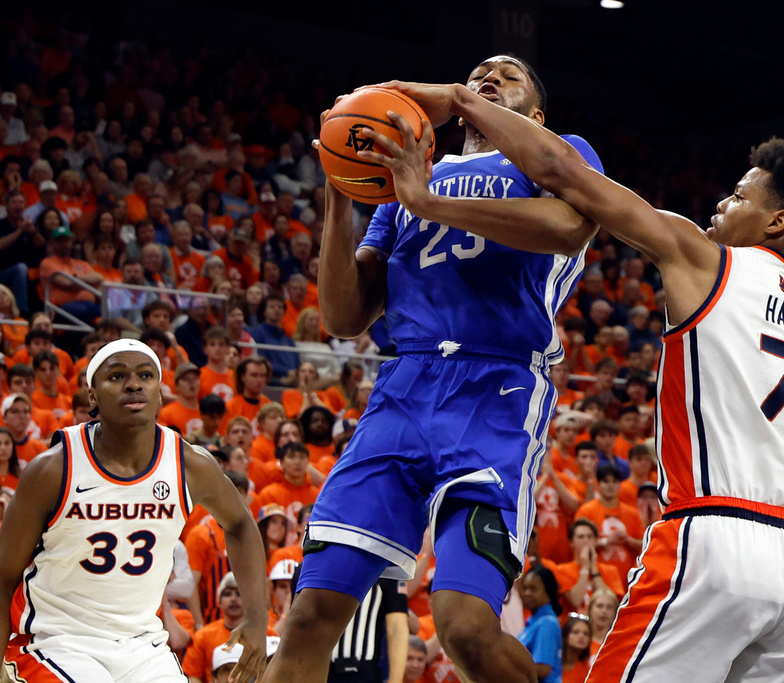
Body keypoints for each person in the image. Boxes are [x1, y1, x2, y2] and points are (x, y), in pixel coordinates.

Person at [367, 71, 784, 682]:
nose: (722, 204)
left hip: (717, 538)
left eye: (740, 197)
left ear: (777, 222)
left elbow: (564, 173)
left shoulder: (701, 257)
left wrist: (460, 100)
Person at [264, 55, 603, 683]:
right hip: (404, 387)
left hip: (496, 387)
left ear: (536, 115)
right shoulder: (410, 179)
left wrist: (429, 200)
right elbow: (343, 316)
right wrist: (341, 191)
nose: (488, 77)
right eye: (478, 73)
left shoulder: (557, 154)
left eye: (508, 75)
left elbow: (567, 228)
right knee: (309, 615)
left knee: (464, 626)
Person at [0, 338, 268, 683]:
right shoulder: (53, 469)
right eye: (117, 376)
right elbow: (3, 577)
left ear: (160, 393)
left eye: (145, 375)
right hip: (57, 641)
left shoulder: (190, 465)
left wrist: (257, 619)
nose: (133, 384)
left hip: (143, 646)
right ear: (92, 396)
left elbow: (241, 524)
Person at [518, 567, 563, 683]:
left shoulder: (547, 623)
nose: (527, 593)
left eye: (533, 589)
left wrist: (504, 667)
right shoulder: (534, 620)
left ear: (548, 592)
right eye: (525, 588)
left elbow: (543, 669)